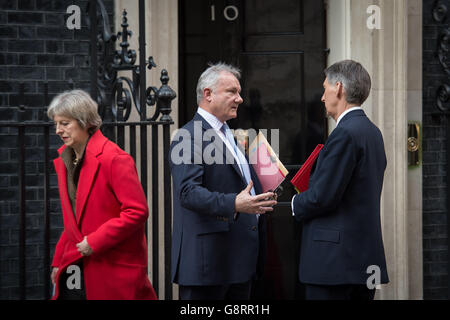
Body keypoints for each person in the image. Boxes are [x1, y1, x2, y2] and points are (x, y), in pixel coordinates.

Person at [169, 63, 277, 300]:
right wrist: (235, 204)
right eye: (232, 91)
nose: (240, 98)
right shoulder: (188, 136)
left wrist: (262, 192)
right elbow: (187, 192)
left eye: (239, 92)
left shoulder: (231, 134)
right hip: (208, 266)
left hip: (239, 263)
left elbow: (237, 183)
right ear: (208, 94)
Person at [291, 60, 389, 300]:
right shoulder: (372, 131)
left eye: (325, 88)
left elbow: (323, 197)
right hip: (360, 263)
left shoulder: (345, 133)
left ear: (339, 88)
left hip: (335, 265)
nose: (322, 97)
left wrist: (294, 203)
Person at [48, 90, 157, 300]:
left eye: (65, 123)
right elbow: (73, 220)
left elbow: (137, 211)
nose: (58, 130)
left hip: (111, 264)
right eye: (56, 124)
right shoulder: (66, 159)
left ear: (85, 122)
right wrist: (58, 261)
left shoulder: (115, 158)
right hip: (76, 263)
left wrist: (95, 241)